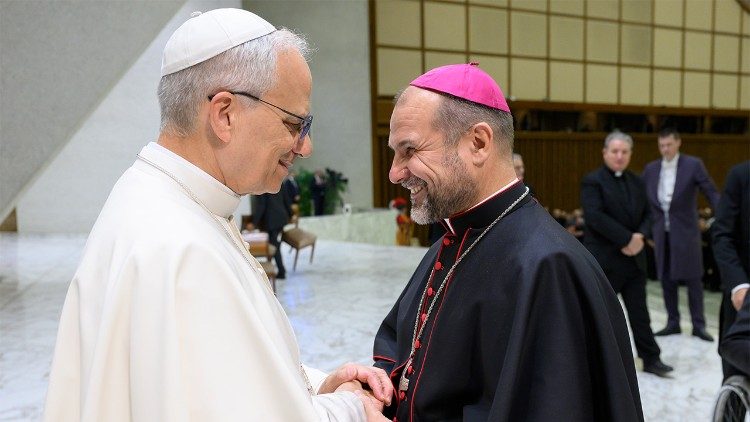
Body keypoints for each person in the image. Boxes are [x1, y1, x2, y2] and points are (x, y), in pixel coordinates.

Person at [43, 9, 391, 422]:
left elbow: (229, 379)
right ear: (225, 114)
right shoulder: (179, 248)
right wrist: (351, 407)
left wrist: (317, 385)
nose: (305, 145)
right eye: (294, 123)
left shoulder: (164, 202)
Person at [373, 63, 643, 421]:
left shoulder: (550, 268)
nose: (395, 172)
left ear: (478, 143)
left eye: (409, 150)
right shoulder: (452, 240)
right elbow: (402, 352)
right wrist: (371, 389)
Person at [580, 131, 674, 378]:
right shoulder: (593, 181)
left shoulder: (637, 181)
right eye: (615, 151)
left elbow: (649, 215)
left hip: (633, 261)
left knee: (640, 314)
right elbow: (595, 216)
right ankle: (593, 361)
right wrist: (627, 239)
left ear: (630, 154)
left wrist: (640, 237)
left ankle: (651, 358)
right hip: (605, 261)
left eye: (624, 152)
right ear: (605, 153)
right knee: (599, 315)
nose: (619, 156)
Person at [642, 128, 720, 341]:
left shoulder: (693, 164)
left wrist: (724, 214)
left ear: (678, 143)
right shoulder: (651, 169)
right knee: (666, 277)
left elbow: (710, 191)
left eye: (669, 145)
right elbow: (642, 198)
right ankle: (672, 322)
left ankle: (698, 324)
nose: (665, 149)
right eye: (661, 146)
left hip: (686, 231)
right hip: (661, 231)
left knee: (693, 278)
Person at [712, 161, 750, 380]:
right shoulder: (740, 176)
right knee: (736, 375)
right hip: (743, 297)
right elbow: (722, 235)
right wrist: (738, 285)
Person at [250, 190, 292, 279]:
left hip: (272, 221)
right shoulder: (278, 182)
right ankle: (278, 269)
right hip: (281, 217)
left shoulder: (261, 187)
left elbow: (261, 205)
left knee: (274, 246)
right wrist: (290, 214)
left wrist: (254, 223)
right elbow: (286, 199)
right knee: (275, 245)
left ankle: (281, 271)